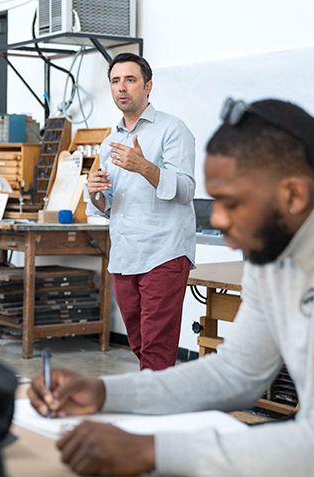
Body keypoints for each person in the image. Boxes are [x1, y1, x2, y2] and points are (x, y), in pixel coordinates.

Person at [30, 98, 314, 476]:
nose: (217, 219)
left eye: (232, 203)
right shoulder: (279, 246)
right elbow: (235, 372)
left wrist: (157, 451)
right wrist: (105, 393)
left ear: (294, 196)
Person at [86, 52, 196, 371]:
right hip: (124, 254)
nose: (122, 88)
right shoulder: (109, 142)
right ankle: (157, 401)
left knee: (156, 351)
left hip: (164, 252)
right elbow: (109, 204)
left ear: (148, 87)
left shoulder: (173, 130)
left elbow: (187, 190)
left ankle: (154, 414)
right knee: (139, 344)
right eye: (115, 81)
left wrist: (144, 167)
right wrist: (94, 193)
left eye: (130, 80)